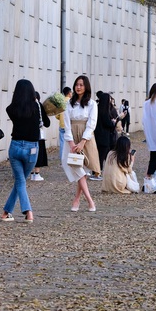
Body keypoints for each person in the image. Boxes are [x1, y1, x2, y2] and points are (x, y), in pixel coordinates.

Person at [1, 79, 49, 223]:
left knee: (19, 181)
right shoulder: (37, 106)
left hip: (15, 146)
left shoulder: (11, 109)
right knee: (21, 181)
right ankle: (28, 212)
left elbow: (17, 114)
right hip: (32, 148)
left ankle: (6, 212)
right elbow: (46, 123)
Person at [61, 75, 100, 212]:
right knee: (75, 167)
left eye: (81, 85)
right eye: (77, 84)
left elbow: (92, 123)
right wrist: (71, 143)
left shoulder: (92, 104)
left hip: (86, 137)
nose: (78, 87)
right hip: (72, 136)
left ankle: (78, 200)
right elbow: (66, 124)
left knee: (81, 168)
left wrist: (83, 141)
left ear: (86, 86)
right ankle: (89, 200)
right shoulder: (68, 103)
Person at [93, 91, 118, 180]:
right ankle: (98, 172)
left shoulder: (97, 108)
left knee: (100, 154)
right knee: (103, 155)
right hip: (104, 136)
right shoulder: (104, 111)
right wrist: (114, 122)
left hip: (97, 134)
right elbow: (108, 123)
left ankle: (99, 171)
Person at [30, 91, 50, 181]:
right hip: (38, 134)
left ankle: (30, 173)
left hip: (27, 135)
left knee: (30, 153)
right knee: (38, 152)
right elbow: (47, 123)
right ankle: (36, 173)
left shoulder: (25, 105)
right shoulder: (39, 106)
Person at [55, 87, 73, 160]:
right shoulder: (72, 102)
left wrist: (61, 118)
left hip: (62, 125)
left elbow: (57, 115)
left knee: (62, 142)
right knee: (71, 142)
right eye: (71, 92)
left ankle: (62, 159)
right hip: (70, 125)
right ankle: (70, 157)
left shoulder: (61, 102)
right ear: (69, 93)